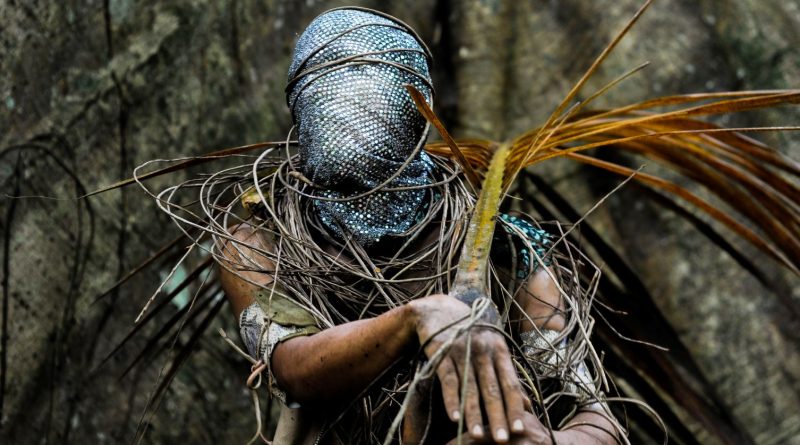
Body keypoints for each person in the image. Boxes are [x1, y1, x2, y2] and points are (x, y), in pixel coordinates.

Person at [215, 8, 622, 444]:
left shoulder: (506, 249)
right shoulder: (261, 242)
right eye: (336, 76)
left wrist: (550, 442)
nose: (354, 100)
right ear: (300, 104)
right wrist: (418, 318)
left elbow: (599, 422)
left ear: (417, 109)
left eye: (371, 76)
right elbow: (293, 369)